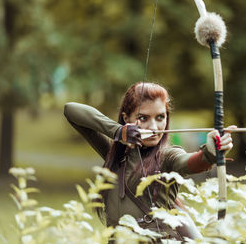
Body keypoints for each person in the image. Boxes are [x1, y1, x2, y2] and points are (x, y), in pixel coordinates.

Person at [63, 82, 235, 241]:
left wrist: (211, 153)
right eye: (143, 118)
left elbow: (193, 162)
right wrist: (117, 132)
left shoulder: (167, 155)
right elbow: (71, 110)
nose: (153, 127)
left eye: (160, 117)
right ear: (126, 118)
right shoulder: (114, 153)